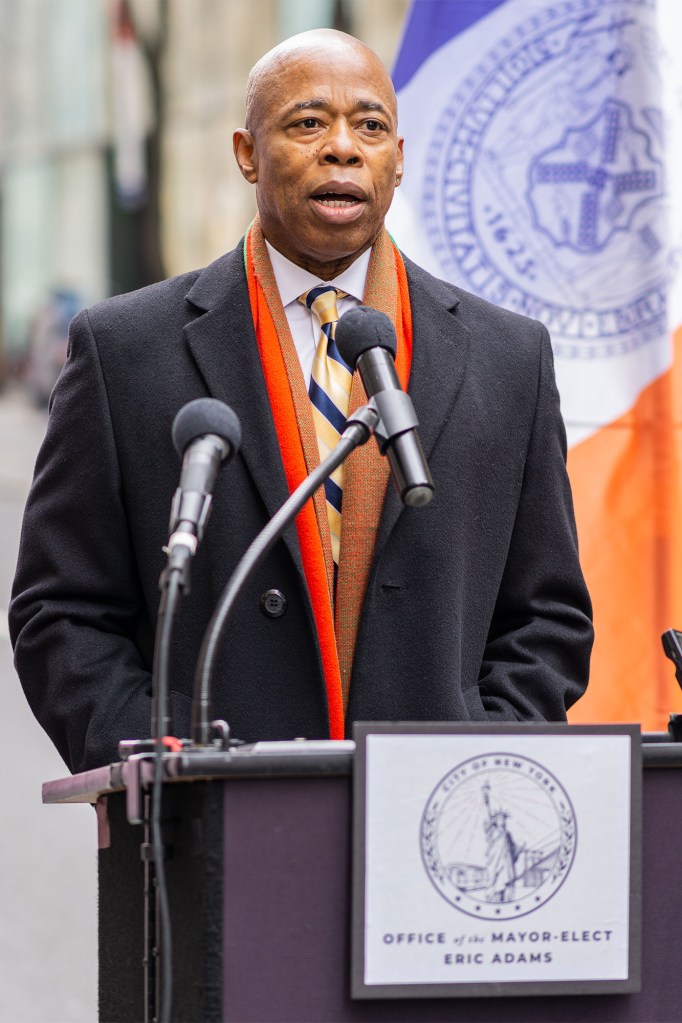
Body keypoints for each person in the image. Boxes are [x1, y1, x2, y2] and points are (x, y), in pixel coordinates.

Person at [9, 30, 593, 775]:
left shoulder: (509, 357)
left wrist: (484, 755)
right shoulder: (125, 350)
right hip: (217, 832)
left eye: (370, 126)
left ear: (400, 159)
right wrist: (163, 770)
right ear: (247, 152)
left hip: (437, 830)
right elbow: (61, 612)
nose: (344, 148)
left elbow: (548, 614)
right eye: (308, 122)